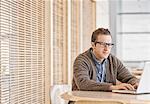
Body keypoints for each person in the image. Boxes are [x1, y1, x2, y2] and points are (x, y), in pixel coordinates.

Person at [72, 28, 139, 91]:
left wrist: (136, 83)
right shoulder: (81, 60)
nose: (106, 49)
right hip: (83, 100)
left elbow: (129, 77)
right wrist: (112, 87)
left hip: (106, 100)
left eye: (109, 45)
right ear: (93, 45)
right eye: (103, 44)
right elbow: (83, 83)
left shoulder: (113, 61)